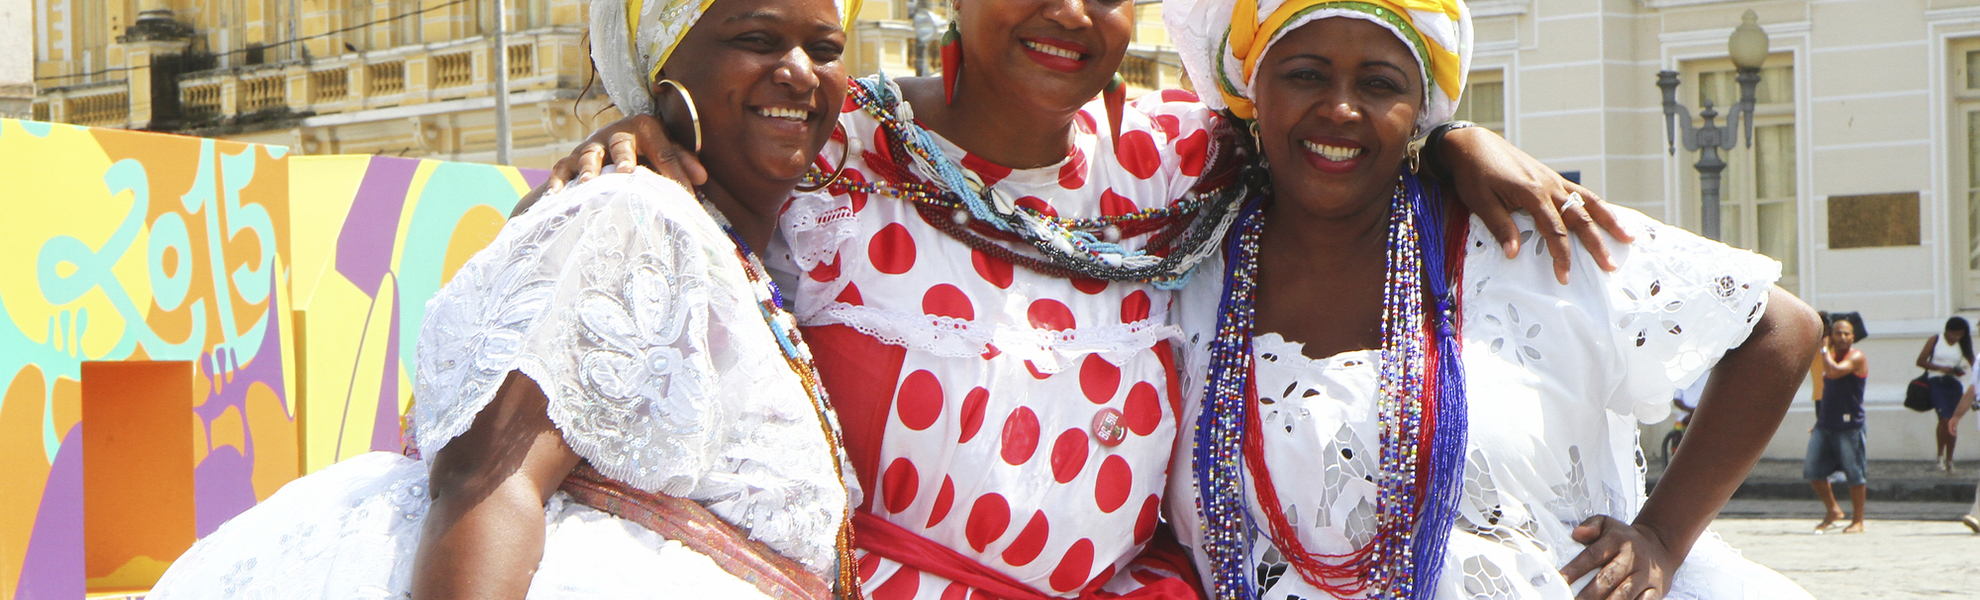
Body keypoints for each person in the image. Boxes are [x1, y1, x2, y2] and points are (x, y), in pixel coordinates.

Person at [522, 0, 1637, 596]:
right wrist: (647, 131)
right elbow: (719, 113)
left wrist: (1456, 143)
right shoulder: (836, 148)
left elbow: (1337, 120)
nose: (1066, 10)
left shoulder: (1177, 161)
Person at [146, 0, 864, 596]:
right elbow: (486, 481)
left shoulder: (731, 244)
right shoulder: (634, 213)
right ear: (664, 62)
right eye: (757, 39)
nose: (799, 71)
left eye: (825, 48)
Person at [1157, 0, 1824, 597]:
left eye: (1379, 84)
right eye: (1305, 73)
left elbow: (1779, 329)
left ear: (1421, 108)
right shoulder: (1181, 270)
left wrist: (1662, 539)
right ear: (1252, 90)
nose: (1340, 107)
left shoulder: (1531, 244)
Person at [1808, 319, 1868, 534]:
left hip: (1850, 423)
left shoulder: (1856, 356)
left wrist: (1823, 348)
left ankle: (1858, 520)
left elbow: (1833, 372)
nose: (1842, 337)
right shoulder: (1827, 357)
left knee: (1855, 473)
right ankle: (1833, 510)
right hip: (1825, 422)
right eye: (1838, 334)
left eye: (1846, 334)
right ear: (1832, 336)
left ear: (1852, 337)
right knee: (1813, 470)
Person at [1918, 316, 1974, 473]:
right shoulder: (1936, 340)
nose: (1955, 338)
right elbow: (1921, 361)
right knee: (1944, 418)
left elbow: (1974, 364)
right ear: (1946, 331)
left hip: (1954, 385)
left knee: (1952, 421)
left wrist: (1960, 371)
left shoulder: (1963, 345)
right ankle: (1939, 456)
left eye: (1959, 335)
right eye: (1953, 334)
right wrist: (1942, 368)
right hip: (1937, 382)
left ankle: (1950, 459)